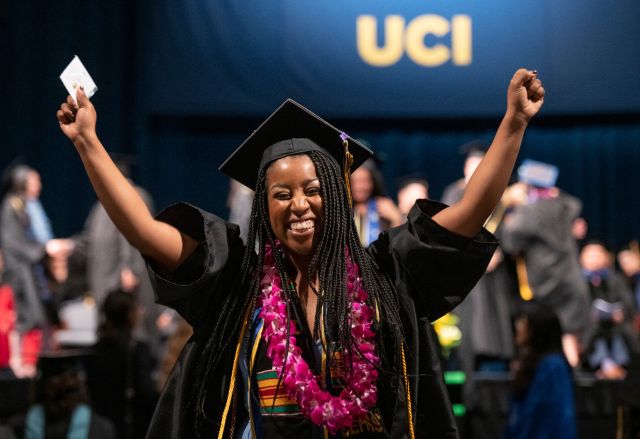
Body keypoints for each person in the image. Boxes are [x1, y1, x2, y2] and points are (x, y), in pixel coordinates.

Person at [56, 69, 544, 438]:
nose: (299, 205)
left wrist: (513, 124)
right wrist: (87, 144)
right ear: (263, 207)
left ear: (336, 193)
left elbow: (467, 214)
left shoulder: (387, 271)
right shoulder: (235, 279)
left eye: (312, 189)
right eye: (281, 194)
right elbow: (144, 230)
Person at [500, 162, 590, 367]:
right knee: (569, 336)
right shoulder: (565, 207)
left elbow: (510, 243)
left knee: (543, 342)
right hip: (571, 280)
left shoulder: (529, 212)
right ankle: (573, 381)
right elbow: (574, 203)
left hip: (544, 284)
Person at [0, 165, 74, 376]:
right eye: (33, 181)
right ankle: (17, 361)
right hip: (18, 271)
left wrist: (47, 249)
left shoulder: (27, 206)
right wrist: (44, 249)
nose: (37, 186)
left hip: (31, 270)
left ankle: (37, 361)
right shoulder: (10, 206)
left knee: (39, 316)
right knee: (21, 316)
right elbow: (14, 242)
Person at [85, 290, 158, 439]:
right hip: (132, 427)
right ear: (129, 315)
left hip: (101, 428)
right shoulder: (138, 349)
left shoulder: (94, 350)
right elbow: (146, 391)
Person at [504, 304, 577, 439]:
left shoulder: (553, 367)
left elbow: (543, 416)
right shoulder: (531, 364)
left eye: (524, 322)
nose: (518, 327)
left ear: (537, 329)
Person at [20, 351, 116, 439]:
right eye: (58, 376)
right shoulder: (19, 428)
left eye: (71, 390)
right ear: (44, 386)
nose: (69, 383)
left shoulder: (100, 429)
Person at [579, 240, 639, 379]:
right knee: (593, 330)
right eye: (591, 255)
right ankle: (604, 364)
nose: (595, 258)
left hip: (616, 327)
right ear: (582, 258)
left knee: (621, 331)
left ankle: (618, 366)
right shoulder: (577, 282)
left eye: (598, 254)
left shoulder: (615, 280)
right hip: (589, 327)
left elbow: (628, 304)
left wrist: (619, 313)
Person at [350, 158, 403, 246]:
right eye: (353, 181)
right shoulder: (342, 208)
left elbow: (398, 243)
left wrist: (395, 218)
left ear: (373, 182)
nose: (358, 187)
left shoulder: (383, 206)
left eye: (364, 181)